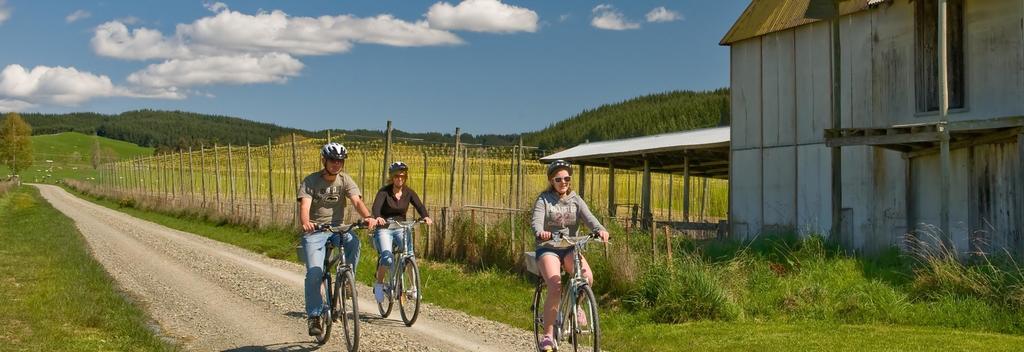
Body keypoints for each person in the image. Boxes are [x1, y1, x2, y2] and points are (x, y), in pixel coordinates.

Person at [297, 142, 376, 336]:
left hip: (338, 228)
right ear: (324, 160)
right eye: (332, 160)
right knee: (315, 273)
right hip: (316, 230)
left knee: (354, 242)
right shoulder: (311, 181)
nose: (336, 164)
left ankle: (348, 281)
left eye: (340, 160)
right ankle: (314, 316)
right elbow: (305, 206)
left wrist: (368, 217)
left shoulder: (345, 180)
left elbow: (356, 201)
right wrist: (307, 223)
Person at [531, 159, 610, 352]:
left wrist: (600, 230)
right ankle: (548, 336)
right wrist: (541, 232)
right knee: (555, 284)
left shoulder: (576, 199)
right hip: (548, 247)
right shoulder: (544, 200)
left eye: (567, 178)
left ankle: (577, 304)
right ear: (551, 180)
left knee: (586, 278)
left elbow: (590, 219)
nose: (563, 182)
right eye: (558, 179)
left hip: (570, 247)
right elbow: (536, 222)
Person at [370, 161, 432, 302]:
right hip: (385, 228)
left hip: (401, 227)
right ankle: (379, 285)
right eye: (397, 176)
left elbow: (419, 205)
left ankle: (414, 288)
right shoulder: (384, 192)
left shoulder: (408, 192)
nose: (400, 179)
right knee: (387, 257)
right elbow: (376, 208)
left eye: (403, 176)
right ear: (392, 177)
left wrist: (425, 216)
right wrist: (378, 217)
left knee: (409, 256)